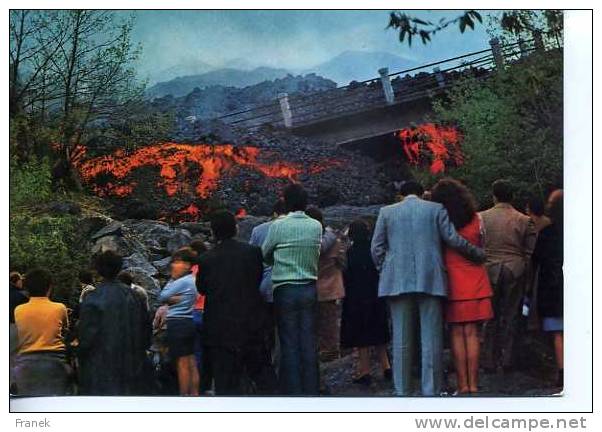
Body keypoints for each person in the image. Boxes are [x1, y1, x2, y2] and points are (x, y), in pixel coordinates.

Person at [371, 180, 485, 396]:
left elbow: (376, 248)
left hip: (397, 281)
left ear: (401, 195)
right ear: (422, 193)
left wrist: (386, 269)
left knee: (401, 340)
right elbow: (452, 239)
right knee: (431, 338)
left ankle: (401, 390)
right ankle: (430, 390)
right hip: (431, 279)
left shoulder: (386, 212)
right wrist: (477, 253)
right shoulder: (436, 209)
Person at [197, 210, 276, 395]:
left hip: (220, 328)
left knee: (226, 382)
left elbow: (202, 289)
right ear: (236, 228)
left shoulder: (206, 259)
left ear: (213, 232)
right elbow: (257, 278)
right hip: (251, 324)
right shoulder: (253, 253)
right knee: (262, 374)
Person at [431, 178, 494, 394]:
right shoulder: (477, 218)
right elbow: (483, 244)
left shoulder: (440, 221)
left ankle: (462, 385)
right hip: (476, 279)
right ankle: (474, 385)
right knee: (472, 334)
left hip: (452, 281)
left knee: (457, 334)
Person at [262, 184, 322, 395]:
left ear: (286, 202)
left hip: (284, 288)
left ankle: (294, 393)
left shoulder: (278, 226)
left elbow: (265, 254)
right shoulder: (315, 226)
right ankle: (312, 390)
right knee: (308, 340)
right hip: (308, 286)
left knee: (288, 342)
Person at [479, 180, 537, 373]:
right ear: (512, 196)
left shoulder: (482, 217)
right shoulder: (523, 219)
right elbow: (530, 251)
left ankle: (488, 359)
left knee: (490, 315)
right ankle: (508, 359)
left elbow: (478, 245)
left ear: (494, 196)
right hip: (514, 268)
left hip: (489, 268)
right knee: (512, 315)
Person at [78, 251, 151, 395]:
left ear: (98, 270)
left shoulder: (92, 298)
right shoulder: (135, 296)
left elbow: (86, 336)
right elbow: (146, 331)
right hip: (132, 365)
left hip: (101, 367)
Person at [340, 219, 391, 385]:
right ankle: (386, 366)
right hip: (376, 295)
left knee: (361, 336)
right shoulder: (374, 251)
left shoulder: (350, 253)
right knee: (379, 332)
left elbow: (346, 276)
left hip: (356, 298)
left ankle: (365, 370)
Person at [13, 268, 71, 396]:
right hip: (55, 363)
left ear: (26, 289)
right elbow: (65, 330)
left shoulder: (18, 310)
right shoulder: (60, 308)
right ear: (49, 288)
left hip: (25, 365)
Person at [249, 198, 287, 376]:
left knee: (266, 330)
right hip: (289, 285)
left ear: (274, 213)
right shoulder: (295, 228)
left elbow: (253, 259)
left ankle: (267, 369)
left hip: (264, 287)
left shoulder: (259, 230)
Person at [305, 206, 347, 362]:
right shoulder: (333, 241)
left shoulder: (307, 243)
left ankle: (318, 353)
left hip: (310, 288)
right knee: (329, 325)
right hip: (330, 288)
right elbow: (342, 262)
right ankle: (331, 352)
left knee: (313, 326)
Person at [532, 189, 564, 388]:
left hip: (553, 287)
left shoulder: (547, 233)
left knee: (558, 332)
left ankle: (562, 371)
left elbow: (536, 259)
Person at [158, 247, 200, 396]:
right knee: (190, 360)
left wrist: (172, 282)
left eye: (178, 262)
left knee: (181, 362)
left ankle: (184, 397)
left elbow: (162, 296)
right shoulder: (192, 280)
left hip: (177, 323)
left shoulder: (182, 282)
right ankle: (194, 394)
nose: (173, 265)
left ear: (188, 265)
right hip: (188, 321)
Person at [189, 239, 209, 392]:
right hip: (209, 312)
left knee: (196, 352)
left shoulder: (193, 270)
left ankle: (197, 389)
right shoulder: (211, 267)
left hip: (195, 311)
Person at [10, 271, 28, 390]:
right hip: (15, 327)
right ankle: (15, 384)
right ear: (16, 281)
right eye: (20, 280)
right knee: (16, 356)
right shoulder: (21, 296)